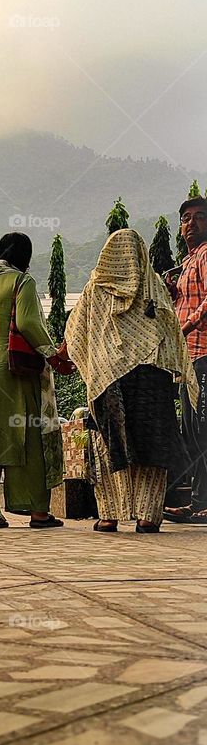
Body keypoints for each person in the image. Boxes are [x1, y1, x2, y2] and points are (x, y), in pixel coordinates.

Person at [64, 228, 198, 533]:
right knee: (154, 444)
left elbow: (76, 334)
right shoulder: (154, 287)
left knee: (109, 443)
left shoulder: (93, 290)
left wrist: (88, 359)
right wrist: (177, 370)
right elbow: (170, 334)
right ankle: (147, 516)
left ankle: (110, 515)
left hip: (107, 380)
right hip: (152, 379)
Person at [0, 231, 67, 529]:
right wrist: (53, 355)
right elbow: (28, 322)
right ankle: (37, 512)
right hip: (13, 370)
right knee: (25, 437)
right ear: (25, 258)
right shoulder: (22, 281)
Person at [164, 196, 207, 524]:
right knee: (193, 431)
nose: (190, 224)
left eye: (198, 217)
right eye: (185, 218)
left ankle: (202, 503)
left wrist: (188, 323)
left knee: (202, 429)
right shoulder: (189, 259)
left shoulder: (206, 255)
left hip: (204, 353)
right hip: (188, 357)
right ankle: (198, 502)